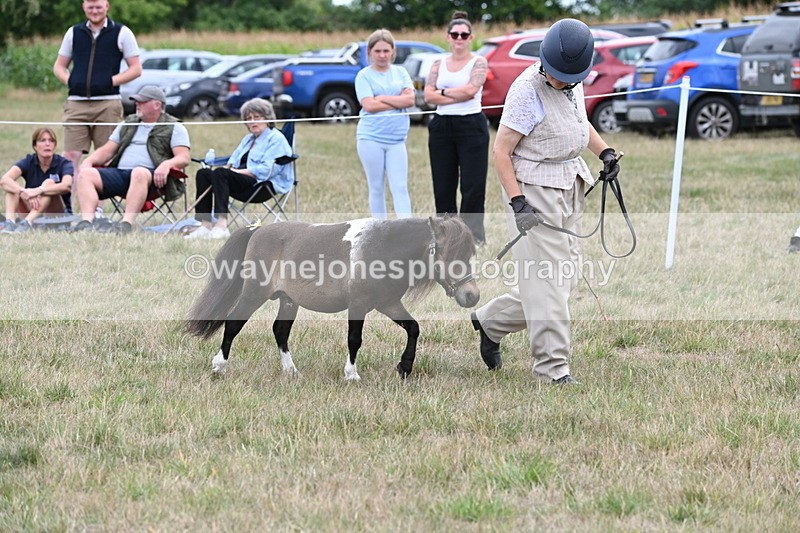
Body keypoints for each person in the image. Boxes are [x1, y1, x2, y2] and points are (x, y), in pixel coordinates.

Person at [470, 19, 622, 385]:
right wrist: (518, 202)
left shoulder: (574, 79)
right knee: (550, 283)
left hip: (568, 182)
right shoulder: (526, 91)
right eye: (555, 74)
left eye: (568, 77)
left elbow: (578, 122)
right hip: (533, 191)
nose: (560, 80)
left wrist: (604, 152)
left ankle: (490, 321)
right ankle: (552, 369)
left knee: (559, 279)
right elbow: (501, 152)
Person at [53, 0, 142, 213]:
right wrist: (71, 81)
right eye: (90, 6)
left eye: (98, 6)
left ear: (107, 6)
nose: (95, 10)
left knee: (104, 156)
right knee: (70, 157)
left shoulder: (122, 32)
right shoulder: (73, 33)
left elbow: (136, 68)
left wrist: (109, 81)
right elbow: (59, 65)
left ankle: (97, 209)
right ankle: (66, 207)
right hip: (76, 103)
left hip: (108, 103)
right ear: (84, 7)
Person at [73, 85, 190, 234]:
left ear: (157, 105)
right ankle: (87, 222)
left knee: (139, 172)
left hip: (153, 178)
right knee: (85, 174)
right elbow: (107, 150)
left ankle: (125, 225)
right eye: (137, 101)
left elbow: (184, 157)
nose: (137, 104)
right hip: (120, 174)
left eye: (142, 101)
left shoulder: (174, 126)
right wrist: (88, 161)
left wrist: (167, 164)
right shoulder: (127, 123)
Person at [185, 98, 293, 240]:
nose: (252, 121)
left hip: (261, 185)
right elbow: (232, 161)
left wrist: (233, 172)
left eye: (257, 117)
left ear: (267, 118)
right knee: (204, 173)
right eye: (249, 118)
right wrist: (226, 170)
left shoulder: (276, 139)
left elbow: (265, 171)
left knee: (221, 173)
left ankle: (221, 226)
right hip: (240, 181)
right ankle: (205, 225)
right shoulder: (248, 139)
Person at [424, 11, 489, 244]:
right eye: (455, 34)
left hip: (471, 123)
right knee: (443, 184)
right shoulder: (437, 64)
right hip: (442, 126)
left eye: (464, 34)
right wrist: (454, 94)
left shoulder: (478, 62)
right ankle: (446, 235)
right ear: (448, 37)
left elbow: (471, 90)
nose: (459, 38)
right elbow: (428, 95)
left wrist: (444, 93)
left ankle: (473, 236)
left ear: (471, 37)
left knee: (472, 184)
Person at [354, 29, 415, 218]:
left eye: (386, 51)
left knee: (400, 187)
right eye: (378, 51)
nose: (382, 55)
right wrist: (397, 98)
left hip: (397, 140)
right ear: (370, 52)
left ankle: (408, 229)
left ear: (393, 51)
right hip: (371, 138)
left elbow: (410, 100)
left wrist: (382, 97)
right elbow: (369, 105)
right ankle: (380, 230)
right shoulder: (364, 76)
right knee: (377, 187)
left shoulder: (401, 72)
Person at [0, 128, 74, 233]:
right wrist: (23, 191)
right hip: (33, 211)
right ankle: (10, 223)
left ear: (55, 145)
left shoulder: (64, 163)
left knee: (49, 183)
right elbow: (4, 180)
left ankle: (27, 223)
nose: (47, 144)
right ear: (35, 146)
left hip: (56, 216)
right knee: (12, 187)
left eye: (51, 140)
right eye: (42, 140)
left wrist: (39, 190)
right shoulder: (29, 160)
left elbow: (67, 185)